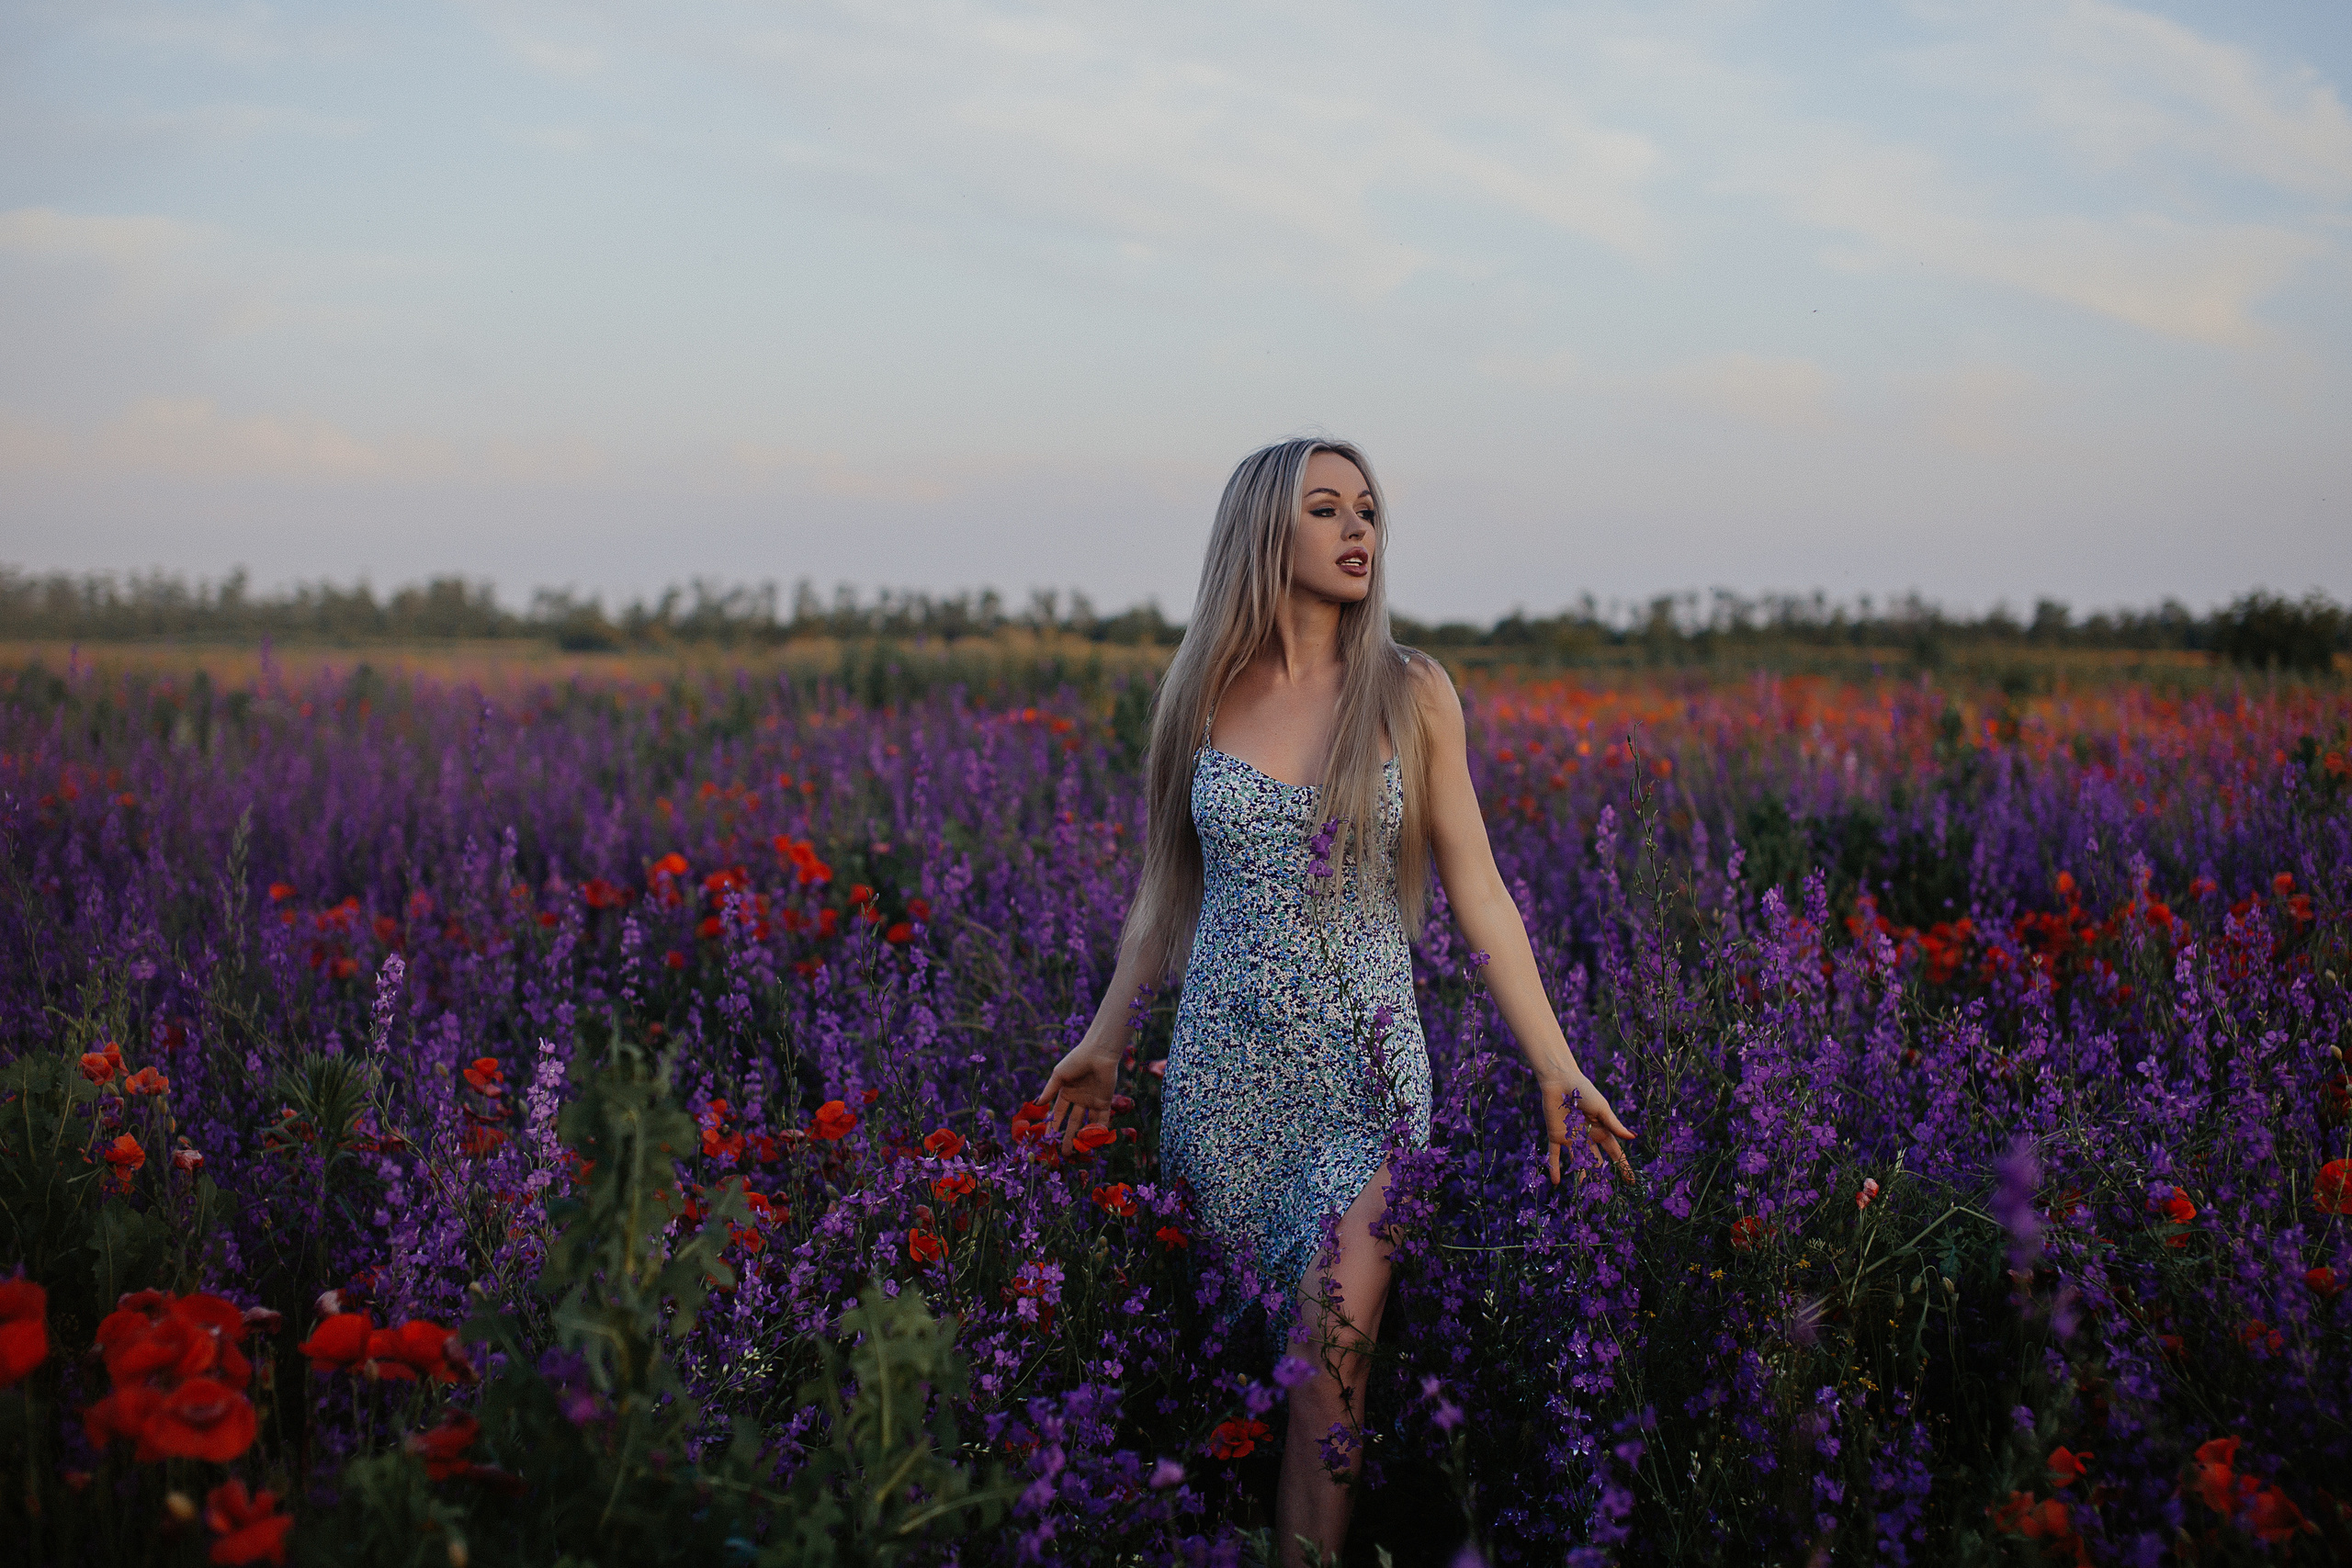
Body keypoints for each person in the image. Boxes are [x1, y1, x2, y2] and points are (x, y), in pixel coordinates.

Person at [1036, 436, 1634, 1562]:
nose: (1360, 530)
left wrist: (1556, 1064)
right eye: (1327, 509)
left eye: (1367, 510)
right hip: (1223, 1081)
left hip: (1364, 1086)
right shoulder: (1201, 692)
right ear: (1267, 531)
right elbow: (1163, 891)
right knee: (1238, 1373)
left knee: (1329, 1359)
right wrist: (1106, 1038)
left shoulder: (1411, 693)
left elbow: (1484, 894)